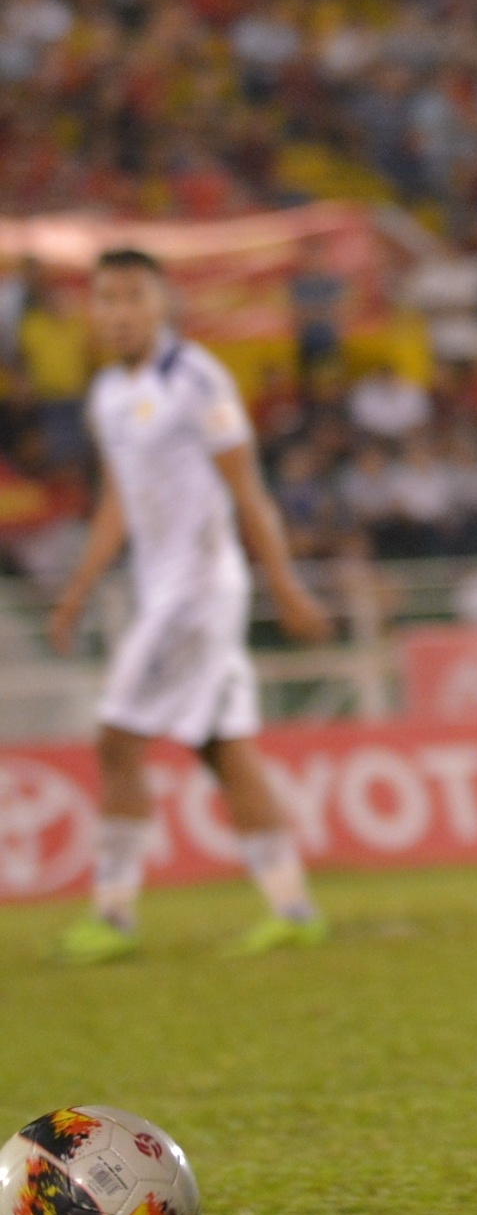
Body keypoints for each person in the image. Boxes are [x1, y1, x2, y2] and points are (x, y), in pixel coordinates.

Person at [46, 248, 335, 963]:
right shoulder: (109, 394)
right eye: (105, 299)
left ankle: (113, 915)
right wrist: (80, 587)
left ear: (162, 303)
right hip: (163, 589)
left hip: (198, 592)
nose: (117, 313)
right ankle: (292, 906)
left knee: (116, 739)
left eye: (132, 298)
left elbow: (247, 490)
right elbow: (120, 497)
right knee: (223, 749)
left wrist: (286, 586)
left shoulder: (196, 377)